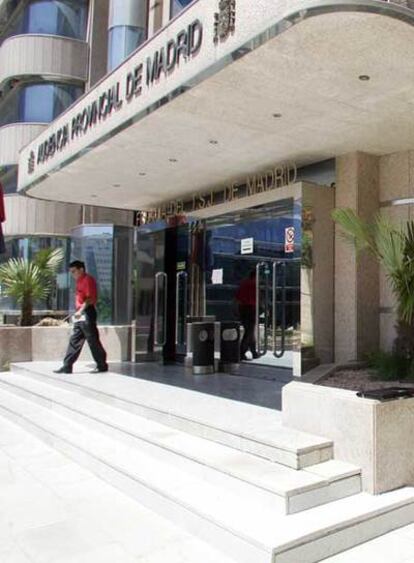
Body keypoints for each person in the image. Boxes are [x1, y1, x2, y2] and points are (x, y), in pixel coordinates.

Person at [54, 260, 108, 374]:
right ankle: (67, 365)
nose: (73, 274)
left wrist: (81, 310)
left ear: (81, 269)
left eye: (74, 271)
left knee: (92, 339)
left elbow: (90, 298)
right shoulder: (79, 281)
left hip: (87, 312)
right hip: (80, 313)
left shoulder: (88, 280)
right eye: (71, 272)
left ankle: (102, 365)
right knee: (75, 339)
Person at [235, 270, 259, 361]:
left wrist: (237, 310)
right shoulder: (254, 285)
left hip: (243, 309)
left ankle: (253, 352)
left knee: (249, 331)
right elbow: (258, 298)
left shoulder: (244, 284)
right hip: (251, 309)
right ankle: (242, 352)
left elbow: (237, 298)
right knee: (249, 332)